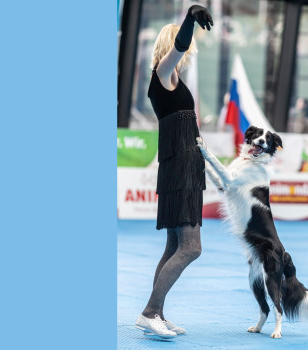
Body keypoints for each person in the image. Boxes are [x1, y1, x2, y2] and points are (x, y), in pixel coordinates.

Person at [134, 5, 214, 339]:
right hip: (178, 167)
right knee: (191, 247)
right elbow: (179, 46)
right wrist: (192, 17)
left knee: (173, 247)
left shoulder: (172, 78)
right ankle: (149, 312)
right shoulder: (163, 72)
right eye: (185, 50)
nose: (186, 54)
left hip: (183, 166)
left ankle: (158, 314)